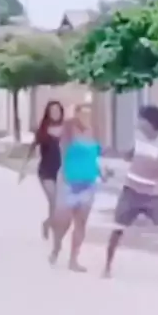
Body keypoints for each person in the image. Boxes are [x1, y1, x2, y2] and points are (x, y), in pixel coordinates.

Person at [103, 104, 158, 285]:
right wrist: (118, 157)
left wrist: (157, 165)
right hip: (130, 191)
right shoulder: (137, 137)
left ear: (150, 122)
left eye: (141, 119)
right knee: (117, 230)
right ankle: (107, 267)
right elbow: (129, 155)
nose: (138, 122)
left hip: (153, 195)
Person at [49, 103, 101, 272]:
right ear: (77, 114)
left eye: (89, 113)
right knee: (63, 222)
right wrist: (64, 174)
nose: (86, 117)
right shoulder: (69, 130)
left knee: (81, 223)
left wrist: (101, 172)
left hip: (88, 181)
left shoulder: (93, 132)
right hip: (69, 181)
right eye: (83, 113)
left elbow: (93, 156)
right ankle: (56, 246)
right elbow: (62, 150)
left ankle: (73, 260)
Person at [19, 100, 64, 239]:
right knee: (54, 201)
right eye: (52, 110)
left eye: (57, 110)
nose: (55, 113)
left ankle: (47, 223)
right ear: (48, 113)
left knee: (60, 205)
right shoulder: (43, 130)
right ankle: (54, 229)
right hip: (46, 171)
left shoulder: (67, 129)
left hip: (62, 171)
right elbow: (32, 150)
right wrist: (23, 169)